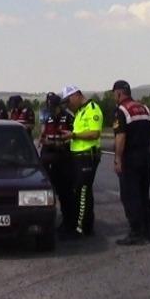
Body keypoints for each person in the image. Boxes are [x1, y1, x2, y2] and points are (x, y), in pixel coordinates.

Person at [112, 80, 150, 245]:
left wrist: (118, 159)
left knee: (130, 195)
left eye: (114, 95)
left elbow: (121, 136)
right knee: (144, 195)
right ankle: (149, 231)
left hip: (130, 158)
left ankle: (135, 232)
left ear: (118, 93)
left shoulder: (121, 111)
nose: (114, 98)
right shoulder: (145, 108)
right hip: (145, 156)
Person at [60, 85, 103, 237]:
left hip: (87, 156)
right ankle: (85, 225)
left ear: (77, 95)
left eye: (68, 100)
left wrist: (73, 136)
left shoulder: (92, 108)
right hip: (78, 156)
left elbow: (94, 133)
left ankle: (81, 228)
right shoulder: (79, 112)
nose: (68, 104)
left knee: (83, 192)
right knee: (79, 191)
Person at [39, 92, 75, 234]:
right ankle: (57, 222)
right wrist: (45, 140)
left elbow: (73, 137)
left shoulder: (68, 117)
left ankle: (70, 223)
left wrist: (57, 143)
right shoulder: (49, 118)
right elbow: (44, 137)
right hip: (49, 158)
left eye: (53, 106)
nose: (51, 108)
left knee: (66, 194)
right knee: (52, 193)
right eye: (49, 106)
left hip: (64, 159)